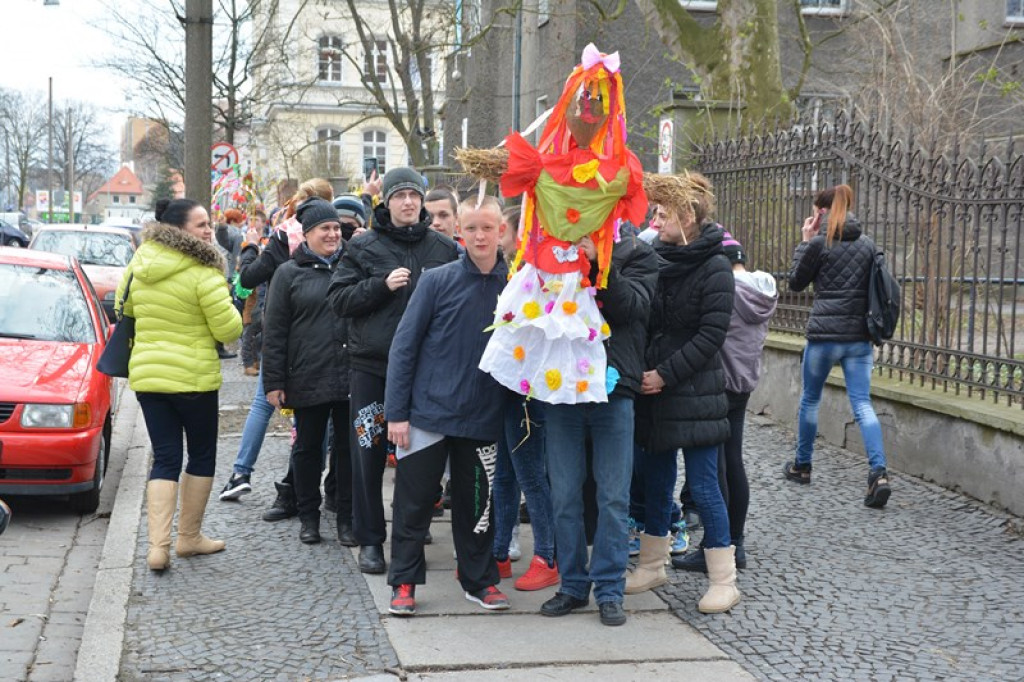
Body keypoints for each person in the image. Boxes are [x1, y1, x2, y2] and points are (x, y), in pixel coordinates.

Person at [328, 167, 460, 574]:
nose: (408, 203)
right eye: (400, 195)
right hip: (373, 366)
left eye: (414, 196)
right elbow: (338, 299)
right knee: (368, 454)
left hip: (425, 370)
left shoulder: (443, 248)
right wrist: (380, 286)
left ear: (422, 201)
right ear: (385, 200)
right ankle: (371, 539)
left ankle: (412, 527)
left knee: (418, 457)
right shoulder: (363, 246)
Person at [384, 195, 511, 615]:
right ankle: (404, 581)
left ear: (501, 232)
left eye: (487, 228)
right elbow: (404, 347)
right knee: (414, 503)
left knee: (478, 507)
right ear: (460, 231)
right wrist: (397, 413)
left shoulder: (516, 286)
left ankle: (479, 579)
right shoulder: (437, 280)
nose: (479, 236)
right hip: (427, 413)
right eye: (471, 228)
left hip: (483, 415)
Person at [632, 174, 740, 615]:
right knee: (655, 483)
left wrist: (665, 374)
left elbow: (711, 336)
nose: (655, 220)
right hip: (653, 389)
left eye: (662, 213)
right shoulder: (654, 257)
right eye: (654, 212)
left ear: (689, 216)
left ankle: (724, 578)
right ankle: (653, 562)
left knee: (703, 486)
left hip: (695, 391)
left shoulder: (716, 266)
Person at [539, 226, 658, 626]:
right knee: (565, 494)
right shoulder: (553, 250)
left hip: (614, 388)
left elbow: (633, 309)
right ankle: (573, 585)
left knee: (612, 497)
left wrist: (599, 263)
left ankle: (609, 589)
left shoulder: (636, 252)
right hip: (563, 390)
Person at [117, 198, 243, 571]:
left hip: (149, 378)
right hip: (194, 379)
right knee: (201, 454)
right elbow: (229, 330)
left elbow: (124, 311)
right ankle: (188, 538)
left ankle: (158, 549)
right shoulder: (203, 270)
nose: (209, 231)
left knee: (166, 456)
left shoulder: (139, 263)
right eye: (201, 225)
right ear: (180, 229)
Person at [218, 179, 335, 509]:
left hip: (281, 330)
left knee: (262, 404)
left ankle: (241, 473)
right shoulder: (336, 233)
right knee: (315, 413)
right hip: (318, 336)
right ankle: (303, 482)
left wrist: (250, 247)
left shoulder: (283, 235)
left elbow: (246, 281)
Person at [673, 231, 777, 573]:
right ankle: (738, 542)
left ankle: (717, 547)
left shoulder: (726, 290)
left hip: (716, 385)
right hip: (743, 386)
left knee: (713, 470)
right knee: (734, 461)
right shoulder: (761, 291)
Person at [784, 184, 892, 508]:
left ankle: (802, 466)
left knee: (810, 400)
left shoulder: (819, 244)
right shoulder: (869, 245)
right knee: (862, 404)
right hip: (858, 339)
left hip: (825, 337)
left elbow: (795, 282)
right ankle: (879, 473)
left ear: (822, 211)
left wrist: (805, 242)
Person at [261, 198, 352, 544]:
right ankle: (308, 516)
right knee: (308, 450)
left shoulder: (352, 265)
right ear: (307, 234)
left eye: (335, 228)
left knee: (347, 452)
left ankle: (347, 517)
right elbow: (275, 331)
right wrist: (274, 381)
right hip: (307, 375)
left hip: (348, 375)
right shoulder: (288, 273)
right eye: (323, 229)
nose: (332, 234)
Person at [490, 204, 559, 592]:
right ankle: (499, 552)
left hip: (526, 387)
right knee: (504, 472)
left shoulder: (536, 272)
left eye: (503, 228)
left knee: (530, 473)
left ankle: (547, 556)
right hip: (507, 383)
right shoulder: (516, 268)